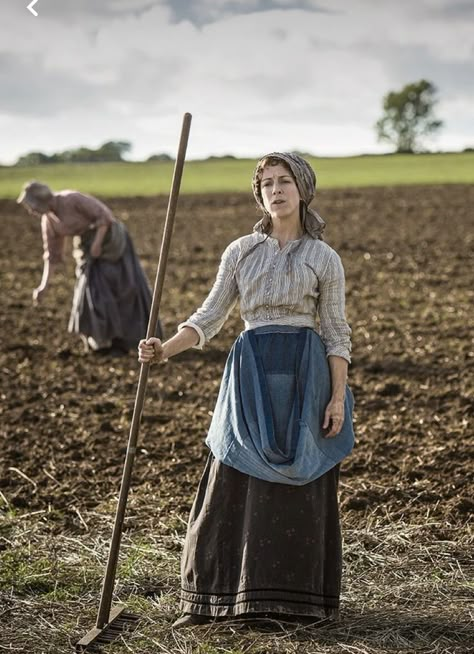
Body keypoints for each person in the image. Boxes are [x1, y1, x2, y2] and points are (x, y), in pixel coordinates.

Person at [138, 152, 354, 627]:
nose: (275, 190)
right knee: (230, 472)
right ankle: (211, 601)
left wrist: (336, 397)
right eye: (267, 184)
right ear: (259, 194)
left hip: (305, 375)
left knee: (300, 481)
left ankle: (295, 605)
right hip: (250, 373)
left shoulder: (323, 257)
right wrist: (164, 349)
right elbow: (208, 318)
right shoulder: (239, 251)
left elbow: (337, 333)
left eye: (285, 182)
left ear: (303, 190)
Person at [17, 181, 161, 354]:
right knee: (92, 292)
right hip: (88, 248)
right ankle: (101, 341)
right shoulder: (48, 221)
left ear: (41, 201)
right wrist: (43, 286)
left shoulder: (71, 199)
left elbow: (105, 217)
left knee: (122, 286)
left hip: (111, 242)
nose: (31, 211)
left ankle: (123, 340)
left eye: (31, 206)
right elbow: (52, 255)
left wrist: (97, 243)